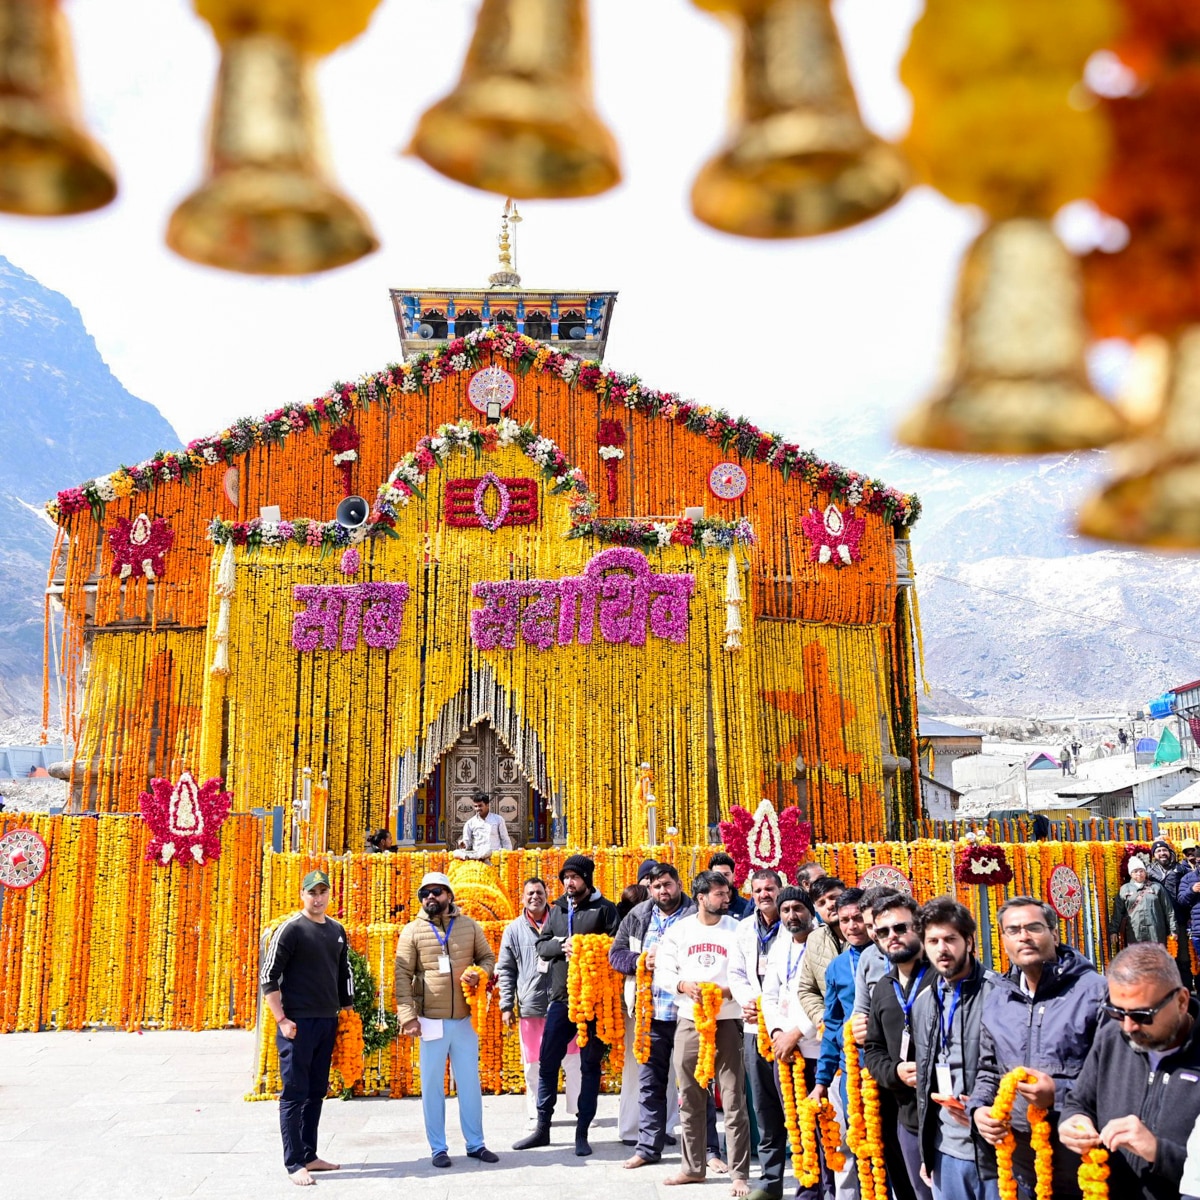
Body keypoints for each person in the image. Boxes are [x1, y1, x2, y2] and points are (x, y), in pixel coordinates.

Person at [969, 896, 1107, 1200]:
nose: (1024, 937)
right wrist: (979, 1109)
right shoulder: (998, 999)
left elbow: (1115, 1075)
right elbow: (989, 1069)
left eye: (1034, 927)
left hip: (1081, 1148)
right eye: (1014, 930)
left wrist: (1057, 1093)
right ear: (1003, 940)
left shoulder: (1095, 991)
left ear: (1054, 934)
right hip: (1021, 1151)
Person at [1060, 943, 1200, 1200]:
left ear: (1181, 1001)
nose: (1128, 1027)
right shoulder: (1111, 1037)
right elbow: (1079, 1102)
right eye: (1115, 1012)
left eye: (1142, 1015)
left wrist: (1157, 1152)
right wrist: (1073, 1122)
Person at [610, 862, 722, 1172]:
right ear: (649, 888)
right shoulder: (638, 915)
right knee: (651, 1085)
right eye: (657, 886)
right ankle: (648, 1147)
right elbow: (616, 954)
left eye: (668, 885)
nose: (663, 891)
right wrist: (642, 961)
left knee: (697, 1083)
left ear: (679, 884)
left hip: (687, 1012)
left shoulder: (694, 915)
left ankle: (708, 1149)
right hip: (651, 1013)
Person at [656, 868, 753, 1195]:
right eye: (719, 894)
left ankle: (739, 1172)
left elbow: (746, 973)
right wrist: (684, 985)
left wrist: (727, 992)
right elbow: (664, 973)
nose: (727, 898)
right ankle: (693, 1167)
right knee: (690, 1098)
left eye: (727, 893)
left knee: (733, 1097)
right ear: (701, 898)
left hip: (726, 1020)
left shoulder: (738, 929)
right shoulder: (680, 931)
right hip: (689, 1019)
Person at [514, 854, 619, 1156]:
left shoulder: (605, 909)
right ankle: (542, 1128)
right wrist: (562, 945)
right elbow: (542, 946)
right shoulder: (557, 909)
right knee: (547, 1063)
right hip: (562, 998)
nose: (569, 883)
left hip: (593, 1001)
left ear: (587, 879)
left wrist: (586, 947)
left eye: (575, 877)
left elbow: (616, 948)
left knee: (589, 1066)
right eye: (565, 878)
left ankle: (582, 1133)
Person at [395, 870, 499, 1169]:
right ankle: (438, 1148)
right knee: (431, 1086)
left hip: (465, 1019)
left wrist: (478, 974)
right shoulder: (412, 931)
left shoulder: (468, 926)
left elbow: (488, 959)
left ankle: (476, 1143)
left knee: (469, 1083)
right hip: (430, 1020)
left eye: (437, 892)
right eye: (425, 893)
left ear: (449, 895)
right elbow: (402, 976)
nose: (431, 897)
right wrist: (408, 1016)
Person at [260, 869, 355, 1187]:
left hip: (327, 1021)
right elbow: (268, 976)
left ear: (330, 895)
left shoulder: (337, 930)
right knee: (294, 1093)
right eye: (312, 892)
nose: (318, 898)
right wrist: (282, 1020)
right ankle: (294, 1162)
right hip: (297, 1024)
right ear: (303, 895)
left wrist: (348, 1014)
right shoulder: (290, 929)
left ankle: (310, 1153)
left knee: (316, 1091)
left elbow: (344, 973)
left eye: (322, 892)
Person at [911, 897, 999, 1200]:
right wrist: (927, 1151)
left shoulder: (1000, 995)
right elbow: (925, 1085)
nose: (941, 949)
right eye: (933, 940)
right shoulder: (924, 1001)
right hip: (945, 1151)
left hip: (995, 1151)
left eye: (950, 939)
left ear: (969, 941)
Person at [863, 891, 935, 1200]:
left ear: (918, 928)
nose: (892, 936)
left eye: (901, 928)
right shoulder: (883, 987)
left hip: (947, 1118)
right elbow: (873, 1049)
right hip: (907, 1117)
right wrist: (894, 1072)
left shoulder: (945, 978)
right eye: (883, 931)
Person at [496, 877, 580, 1122]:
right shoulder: (513, 930)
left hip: (564, 1002)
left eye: (539, 892)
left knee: (572, 1060)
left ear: (547, 894)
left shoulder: (564, 921)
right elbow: (506, 969)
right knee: (533, 1063)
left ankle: (576, 1107)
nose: (535, 897)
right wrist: (506, 1005)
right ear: (522, 898)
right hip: (531, 1006)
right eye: (530, 893)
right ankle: (536, 1109)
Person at [812, 887, 874, 1200]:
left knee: (886, 1146)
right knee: (853, 1143)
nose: (851, 926)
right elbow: (832, 1024)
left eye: (858, 919)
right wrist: (822, 1081)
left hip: (890, 1068)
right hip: (851, 1071)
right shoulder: (837, 966)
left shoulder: (890, 956)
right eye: (845, 920)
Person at [729, 869, 788, 1200]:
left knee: (791, 1104)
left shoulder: (795, 923)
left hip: (786, 1027)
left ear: (781, 890)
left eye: (770, 888)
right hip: (754, 1026)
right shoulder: (744, 928)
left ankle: (813, 1177)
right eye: (758, 890)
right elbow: (736, 972)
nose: (764, 894)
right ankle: (770, 1182)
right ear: (751, 894)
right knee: (764, 1107)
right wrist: (747, 1002)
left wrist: (771, 1007)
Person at [761, 887, 823, 1196]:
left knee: (822, 1125)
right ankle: (806, 1187)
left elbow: (826, 1000)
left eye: (798, 908)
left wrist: (796, 1034)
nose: (791, 916)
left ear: (811, 912)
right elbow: (769, 995)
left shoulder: (824, 944)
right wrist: (776, 1034)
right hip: (784, 1049)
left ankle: (821, 1190)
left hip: (815, 1048)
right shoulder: (780, 945)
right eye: (785, 910)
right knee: (795, 1124)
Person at [797, 876, 847, 1026]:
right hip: (833, 1030)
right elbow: (807, 990)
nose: (830, 905)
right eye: (822, 903)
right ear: (816, 909)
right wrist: (822, 1018)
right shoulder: (814, 939)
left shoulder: (865, 934)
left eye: (834, 898)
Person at [1113, 857, 1175, 949]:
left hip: (1155, 932)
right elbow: (1118, 913)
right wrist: (1113, 931)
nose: (1139, 874)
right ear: (1131, 874)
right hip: (1134, 932)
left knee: (1156, 959)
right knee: (1137, 960)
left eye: (1141, 871)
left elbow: (1169, 910)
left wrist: (1173, 929)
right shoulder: (1124, 889)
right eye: (1135, 871)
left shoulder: (1157, 887)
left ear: (1145, 872)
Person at [454, 791, 513, 861]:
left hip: (495, 858)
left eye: (480, 806)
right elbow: (467, 842)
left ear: (487, 805)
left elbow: (505, 840)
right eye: (475, 806)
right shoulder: (470, 823)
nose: (477, 808)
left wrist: (508, 857)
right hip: (478, 859)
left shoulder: (498, 820)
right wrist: (463, 844)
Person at [710, 852, 754, 919]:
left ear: (733, 875)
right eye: (718, 875)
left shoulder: (746, 908)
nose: (722, 879)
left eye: (726, 874)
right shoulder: (705, 906)